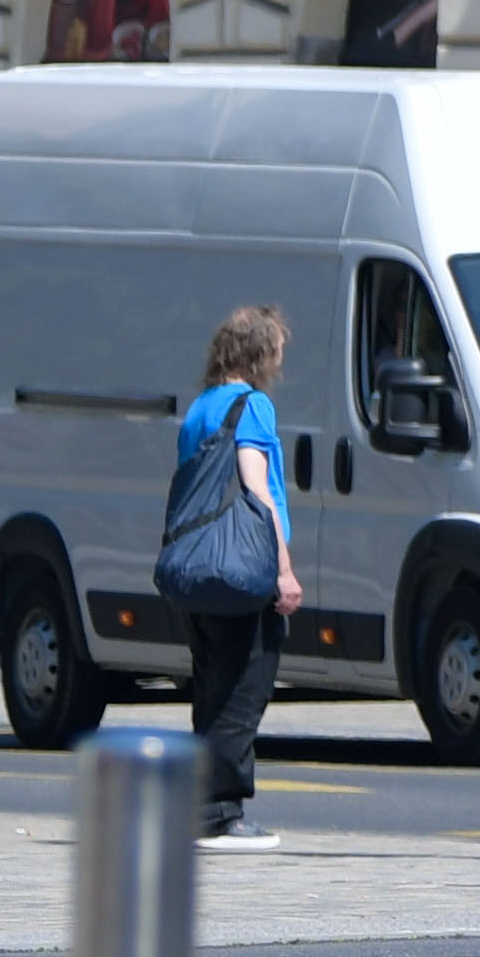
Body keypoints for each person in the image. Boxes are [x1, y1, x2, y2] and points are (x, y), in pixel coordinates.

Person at [156, 305, 299, 836]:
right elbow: (256, 488)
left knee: (211, 687)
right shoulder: (252, 407)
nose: (279, 366)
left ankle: (200, 806)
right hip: (242, 569)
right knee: (243, 690)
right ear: (259, 355)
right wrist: (282, 569)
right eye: (277, 354)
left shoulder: (200, 409)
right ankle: (222, 812)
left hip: (198, 567)